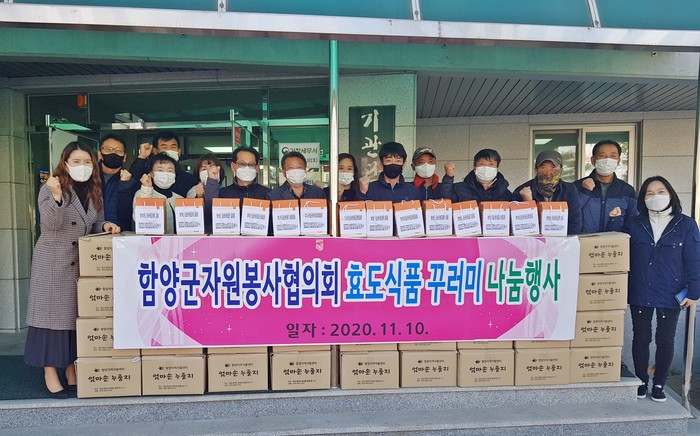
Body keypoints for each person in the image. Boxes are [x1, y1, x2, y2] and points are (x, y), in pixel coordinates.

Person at [24, 142, 120, 399]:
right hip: (53, 262)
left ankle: (71, 369)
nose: (82, 166)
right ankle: (49, 373)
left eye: (87, 162)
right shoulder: (51, 188)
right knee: (50, 320)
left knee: (72, 320)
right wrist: (56, 196)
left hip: (80, 263)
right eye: (76, 161)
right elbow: (51, 224)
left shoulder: (93, 189)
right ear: (65, 164)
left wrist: (106, 226)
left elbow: (96, 222)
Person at [624, 176, 699, 403]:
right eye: (649, 193)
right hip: (640, 288)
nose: (655, 196)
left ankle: (659, 383)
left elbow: (694, 259)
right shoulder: (635, 223)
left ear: (671, 194)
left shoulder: (685, 224)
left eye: (660, 191)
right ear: (643, 198)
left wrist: (694, 292)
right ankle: (641, 380)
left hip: (671, 290)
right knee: (641, 337)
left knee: (665, 339)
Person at [511, 150, 582, 234]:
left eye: (553, 167)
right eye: (543, 167)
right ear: (536, 170)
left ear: (561, 169)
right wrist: (528, 204)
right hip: (533, 241)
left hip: (562, 240)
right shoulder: (522, 191)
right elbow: (519, 227)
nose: (548, 173)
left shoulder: (569, 190)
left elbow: (575, 224)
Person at [575, 140, 638, 233]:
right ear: (593, 160)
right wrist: (584, 193)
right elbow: (570, 216)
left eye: (613, 156)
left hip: (615, 242)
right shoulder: (576, 187)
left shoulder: (627, 191)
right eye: (602, 156)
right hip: (582, 241)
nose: (608, 160)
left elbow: (632, 223)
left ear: (618, 161)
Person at [128, 131, 198, 198]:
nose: (169, 150)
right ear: (155, 151)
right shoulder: (147, 177)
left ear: (179, 151)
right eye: (164, 147)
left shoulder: (188, 179)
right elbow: (132, 180)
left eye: (173, 147)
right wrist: (142, 157)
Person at [133, 153, 182, 234]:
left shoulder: (180, 199)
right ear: (151, 174)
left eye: (170, 171)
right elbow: (139, 219)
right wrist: (146, 190)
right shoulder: (142, 193)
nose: (165, 174)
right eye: (160, 170)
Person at [97, 134, 137, 231]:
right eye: (108, 149)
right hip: (90, 234)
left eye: (119, 150)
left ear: (124, 157)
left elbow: (127, 215)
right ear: (100, 154)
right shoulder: (89, 177)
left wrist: (124, 185)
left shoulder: (131, 181)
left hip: (120, 234)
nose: (113, 153)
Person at [442, 148, 512, 203]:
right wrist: (448, 177)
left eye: (491, 164)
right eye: (482, 164)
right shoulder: (460, 189)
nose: (486, 168)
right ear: (475, 166)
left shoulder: (505, 194)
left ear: (497, 167)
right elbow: (445, 200)